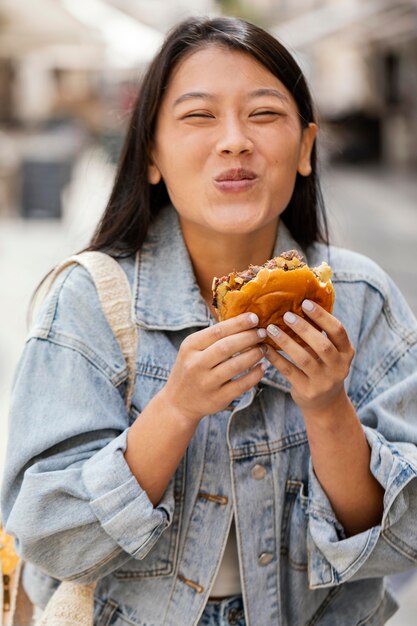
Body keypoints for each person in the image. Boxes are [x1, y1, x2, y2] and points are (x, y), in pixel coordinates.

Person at [2, 15, 417, 626]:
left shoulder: (361, 299)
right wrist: (174, 408)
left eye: (264, 114)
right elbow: (48, 536)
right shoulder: (89, 300)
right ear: (150, 154)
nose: (234, 140)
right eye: (198, 116)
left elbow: (398, 541)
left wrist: (329, 408)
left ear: (305, 149)